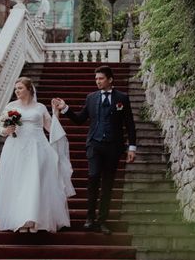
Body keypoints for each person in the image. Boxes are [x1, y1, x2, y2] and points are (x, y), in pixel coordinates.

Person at [52, 65, 136, 235]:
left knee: (108, 184)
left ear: (110, 79)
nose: (98, 81)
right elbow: (80, 119)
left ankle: (102, 220)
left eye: (101, 78)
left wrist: (131, 147)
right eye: (96, 79)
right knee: (93, 176)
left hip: (114, 146)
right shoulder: (91, 97)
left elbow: (130, 124)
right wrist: (65, 108)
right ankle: (89, 218)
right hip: (94, 144)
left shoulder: (122, 98)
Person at [0, 77, 75, 232]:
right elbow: (1, 128)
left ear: (29, 89)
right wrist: (6, 131)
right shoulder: (11, 106)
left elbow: (50, 127)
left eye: (20, 88)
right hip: (16, 148)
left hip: (38, 148)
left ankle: (36, 219)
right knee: (20, 182)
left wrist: (56, 112)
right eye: (16, 88)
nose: (17, 91)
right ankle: (21, 220)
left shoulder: (40, 107)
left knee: (36, 182)